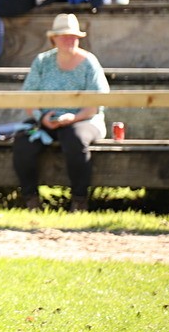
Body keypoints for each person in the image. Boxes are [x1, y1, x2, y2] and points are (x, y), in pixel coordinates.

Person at [13, 13, 109, 213]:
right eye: (64, 35)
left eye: (73, 36)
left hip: (85, 119)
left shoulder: (89, 62)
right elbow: (28, 97)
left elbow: (97, 103)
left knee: (74, 138)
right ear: (53, 39)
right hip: (47, 121)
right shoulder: (42, 61)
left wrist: (74, 118)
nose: (69, 40)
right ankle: (31, 200)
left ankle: (79, 201)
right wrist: (42, 118)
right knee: (23, 141)